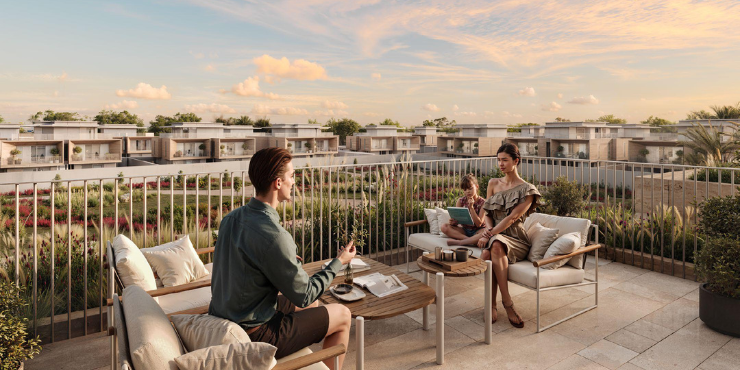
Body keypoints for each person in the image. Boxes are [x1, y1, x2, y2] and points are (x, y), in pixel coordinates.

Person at [209, 147, 354, 370]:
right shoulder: (275, 235)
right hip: (256, 333)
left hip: (228, 314)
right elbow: (304, 295)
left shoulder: (231, 219)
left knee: (316, 304)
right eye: (292, 176)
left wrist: (277, 261)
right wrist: (339, 262)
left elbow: (244, 262)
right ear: (278, 183)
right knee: (343, 314)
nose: (294, 182)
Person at [480, 143, 542, 328]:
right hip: (496, 236)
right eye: (498, 160)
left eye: (505, 160)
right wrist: (488, 231)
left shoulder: (527, 189)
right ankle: (492, 304)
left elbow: (513, 217)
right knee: (491, 249)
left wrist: (489, 234)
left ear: (516, 161)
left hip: (516, 239)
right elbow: (488, 214)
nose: (500, 164)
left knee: (493, 246)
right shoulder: (493, 183)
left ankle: (506, 304)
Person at [443, 173, 487, 245]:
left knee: (485, 233)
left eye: (470, 188)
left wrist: (471, 207)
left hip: (478, 230)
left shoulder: (483, 202)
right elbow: (458, 221)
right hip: (465, 230)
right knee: (444, 227)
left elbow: (479, 224)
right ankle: (470, 241)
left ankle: (461, 242)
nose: (467, 191)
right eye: (465, 189)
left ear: (476, 187)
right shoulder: (461, 201)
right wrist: (454, 222)